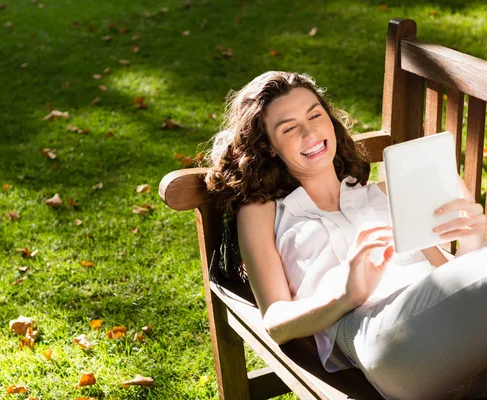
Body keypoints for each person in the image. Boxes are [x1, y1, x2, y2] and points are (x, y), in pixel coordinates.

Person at [204, 71, 487, 400]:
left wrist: (474, 242)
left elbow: (447, 281)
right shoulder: (265, 210)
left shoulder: (385, 191)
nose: (310, 132)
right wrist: (348, 293)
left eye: (315, 115)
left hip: (455, 331)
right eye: (289, 127)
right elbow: (276, 320)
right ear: (268, 146)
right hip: (381, 333)